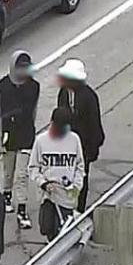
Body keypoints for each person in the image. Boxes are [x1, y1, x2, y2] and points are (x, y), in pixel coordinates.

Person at [28, 107, 85, 265]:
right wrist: (43, 183)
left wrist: (76, 187)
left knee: (62, 231)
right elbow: (33, 168)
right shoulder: (41, 141)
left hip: (67, 196)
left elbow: (80, 166)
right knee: (47, 226)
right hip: (48, 194)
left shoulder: (74, 140)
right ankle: (55, 253)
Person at [0, 50, 40, 228]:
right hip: (8, 135)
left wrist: (31, 128)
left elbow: (33, 111)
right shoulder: (2, 86)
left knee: (22, 174)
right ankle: (7, 195)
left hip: (26, 134)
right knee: (8, 171)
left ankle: (22, 208)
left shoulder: (34, 86)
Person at [56, 59, 105, 214]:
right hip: (66, 145)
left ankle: (79, 209)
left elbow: (94, 123)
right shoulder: (63, 93)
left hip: (83, 146)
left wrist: (93, 148)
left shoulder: (89, 96)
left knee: (81, 179)